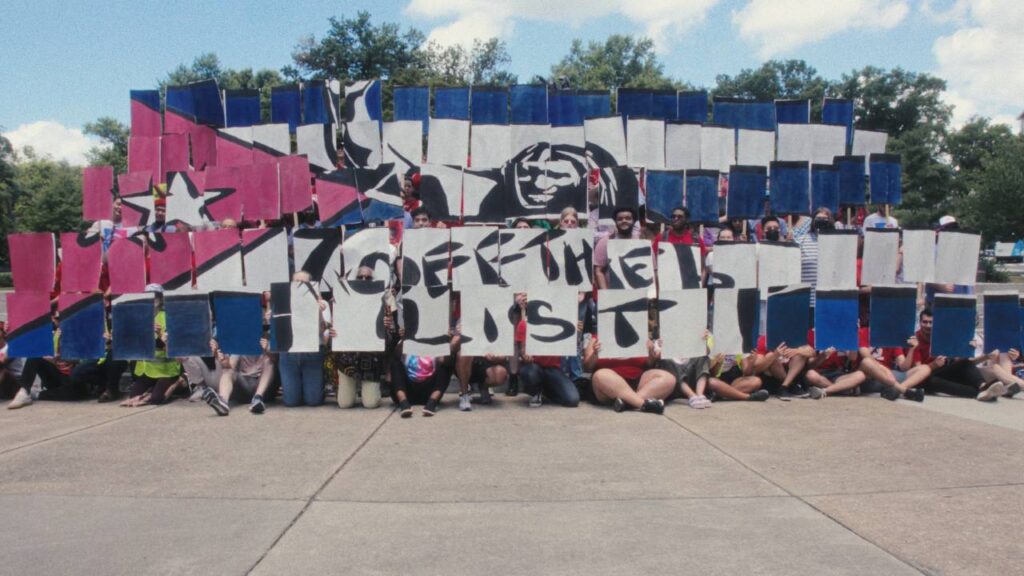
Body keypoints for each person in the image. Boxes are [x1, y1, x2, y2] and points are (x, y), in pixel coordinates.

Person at [907, 308, 1002, 401]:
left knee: (965, 363)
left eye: (931, 322)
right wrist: (934, 365)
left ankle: (983, 386)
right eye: (925, 322)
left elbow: (956, 361)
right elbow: (919, 370)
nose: (928, 325)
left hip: (943, 370)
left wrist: (968, 351)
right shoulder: (915, 340)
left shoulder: (942, 337)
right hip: (926, 375)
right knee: (933, 381)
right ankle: (979, 392)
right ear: (920, 322)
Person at [122, 285, 184, 407]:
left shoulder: (167, 317)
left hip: (167, 370)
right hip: (148, 370)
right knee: (133, 396)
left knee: (157, 398)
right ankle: (149, 392)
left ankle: (178, 382)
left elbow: (172, 347)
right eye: (148, 296)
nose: (151, 300)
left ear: (160, 300)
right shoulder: (140, 318)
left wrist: (159, 335)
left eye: (155, 297)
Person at [583, 336, 674, 414]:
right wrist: (595, 354)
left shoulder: (641, 335)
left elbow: (649, 364)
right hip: (609, 384)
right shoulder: (597, 338)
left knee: (669, 378)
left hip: (637, 380)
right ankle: (642, 404)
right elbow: (588, 367)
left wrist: (651, 353)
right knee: (600, 375)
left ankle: (628, 403)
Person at [277, 272, 328, 408]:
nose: (299, 285)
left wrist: (319, 311)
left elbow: (323, 333)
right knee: (291, 402)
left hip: (312, 353)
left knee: (313, 401)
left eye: (303, 282)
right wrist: (273, 315)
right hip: (289, 354)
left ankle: (318, 387)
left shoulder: (322, 303)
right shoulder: (283, 302)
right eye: (296, 282)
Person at [202, 337, 276, 416]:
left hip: (264, 388)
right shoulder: (239, 346)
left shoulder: (268, 342)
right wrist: (225, 363)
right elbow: (231, 367)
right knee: (228, 370)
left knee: (269, 361)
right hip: (244, 386)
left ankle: (258, 398)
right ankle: (222, 401)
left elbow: (277, 362)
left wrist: (268, 350)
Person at [593, 206, 639, 290]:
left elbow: (652, 270)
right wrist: (606, 293)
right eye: (620, 219)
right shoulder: (605, 242)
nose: (624, 221)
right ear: (615, 222)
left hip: (638, 293)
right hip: (613, 293)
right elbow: (598, 271)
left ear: (634, 221)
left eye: (628, 218)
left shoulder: (641, 242)